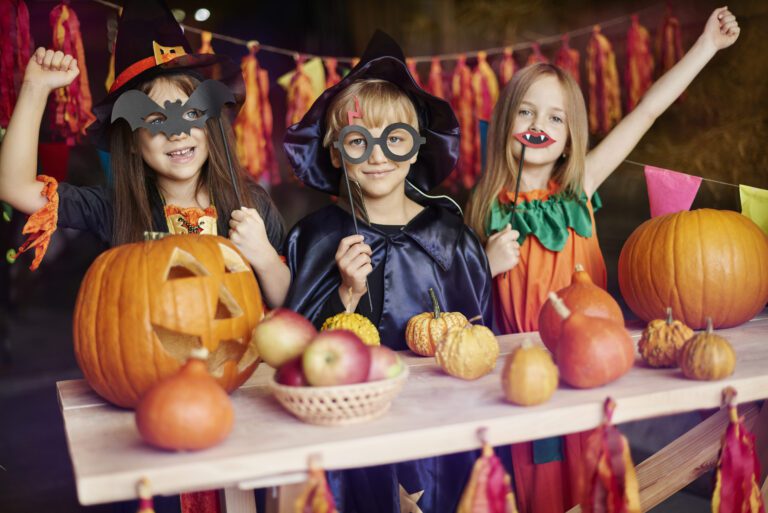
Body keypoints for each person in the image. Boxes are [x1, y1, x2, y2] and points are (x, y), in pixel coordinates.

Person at [465, 7, 740, 513]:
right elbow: (465, 308)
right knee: (536, 484)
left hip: (589, 368)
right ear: (505, 122)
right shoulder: (485, 210)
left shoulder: (579, 188)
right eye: (526, 112)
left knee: (594, 474)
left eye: (555, 117)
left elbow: (646, 113)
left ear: (572, 135)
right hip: (527, 376)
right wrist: (485, 264)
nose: (538, 125)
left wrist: (706, 46)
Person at [282, 31, 502, 512]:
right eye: (359, 141)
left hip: (441, 441)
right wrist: (345, 294)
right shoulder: (315, 239)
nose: (378, 156)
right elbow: (293, 354)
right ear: (337, 153)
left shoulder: (451, 237)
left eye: (394, 139)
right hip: (351, 447)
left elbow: (482, 347)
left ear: (416, 148)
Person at [0, 0, 289, 308]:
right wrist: (34, 88)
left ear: (211, 121)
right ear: (134, 141)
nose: (177, 132)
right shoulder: (113, 208)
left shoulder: (251, 205)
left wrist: (265, 257)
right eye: (155, 120)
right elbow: (14, 188)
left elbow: (296, 311)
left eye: (192, 113)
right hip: (147, 352)